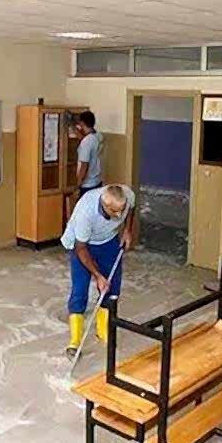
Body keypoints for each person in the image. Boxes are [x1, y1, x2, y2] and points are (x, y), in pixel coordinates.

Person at [61, 184, 135, 359]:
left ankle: (103, 329)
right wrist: (98, 276)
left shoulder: (127, 195)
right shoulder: (86, 212)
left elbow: (131, 208)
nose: (119, 215)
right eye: (114, 211)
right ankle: (75, 341)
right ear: (104, 205)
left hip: (108, 241)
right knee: (80, 289)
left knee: (113, 286)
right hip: (82, 245)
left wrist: (127, 230)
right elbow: (81, 248)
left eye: (121, 210)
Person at [75, 111, 104, 197]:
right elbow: (85, 139)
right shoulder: (97, 136)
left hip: (87, 185)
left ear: (82, 123)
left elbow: (84, 165)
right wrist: (73, 128)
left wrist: (78, 185)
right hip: (97, 181)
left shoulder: (86, 142)